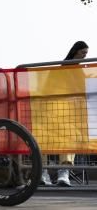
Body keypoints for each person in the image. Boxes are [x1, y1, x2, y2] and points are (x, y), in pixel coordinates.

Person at [41, 41, 89, 187]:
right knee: (40, 135)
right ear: (75, 52)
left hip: (69, 116)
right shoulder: (59, 70)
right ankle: (42, 171)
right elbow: (47, 89)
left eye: (86, 54)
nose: (84, 56)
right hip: (52, 112)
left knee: (70, 136)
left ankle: (64, 172)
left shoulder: (81, 71)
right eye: (82, 53)